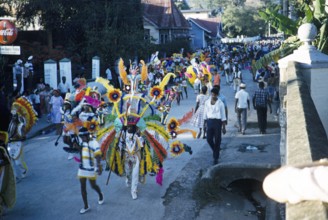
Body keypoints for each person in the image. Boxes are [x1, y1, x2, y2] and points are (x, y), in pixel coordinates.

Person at [77, 127, 104, 214]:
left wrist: (99, 166)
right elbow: (81, 151)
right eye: (81, 137)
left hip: (91, 168)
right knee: (82, 187)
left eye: (83, 137)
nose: (82, 138)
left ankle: (100, 194)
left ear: (87, 135)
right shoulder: (82, 142)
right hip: (82, 168)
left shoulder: (94, 143)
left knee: (93, 186)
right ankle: (86, 206)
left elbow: (98, 156)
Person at [118, 119, 144, 200]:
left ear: (134, 126)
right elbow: (120, 143)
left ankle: (133, 191)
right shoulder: (123, 133)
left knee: (135, 174)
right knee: (128, 171)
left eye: (130, 126)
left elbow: (142, 145)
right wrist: (120, 153)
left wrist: (139, 136)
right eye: (127, 126)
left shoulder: (138, 133)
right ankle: (128, 179)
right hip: (126, 155)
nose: (129, 127)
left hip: (136, 155)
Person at [203, 87, 227, 165]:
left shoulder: (220, 103)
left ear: (217, 95)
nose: (213, 95)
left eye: (214, 94)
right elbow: (205, 113)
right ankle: (215, 151)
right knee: (209, 139)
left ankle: (215, 157)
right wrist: (204, 123)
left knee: (217, 140)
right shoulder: (207, 102)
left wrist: (224, 127)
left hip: (218, 122)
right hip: (209, 121)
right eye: (212, 94)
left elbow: (223, 115)